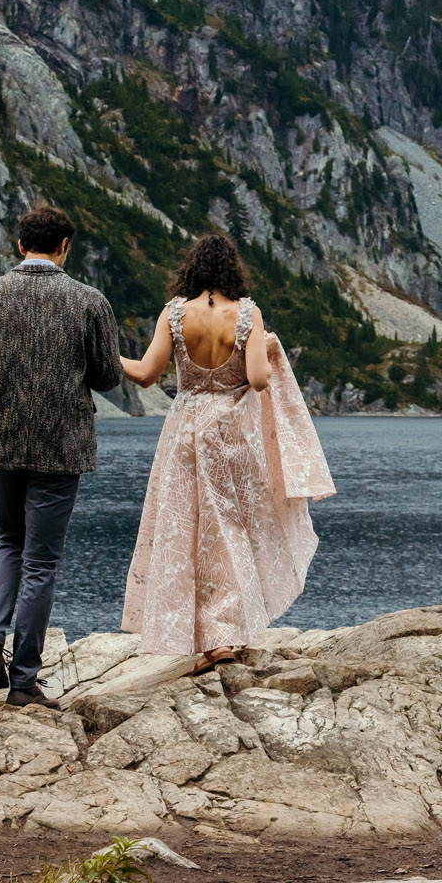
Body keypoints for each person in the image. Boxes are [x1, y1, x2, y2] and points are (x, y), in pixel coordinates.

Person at [119, 232, 335, 670]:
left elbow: (144, 374)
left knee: (187, 530)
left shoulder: (175, 314)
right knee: (229, 530)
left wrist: (101, 356)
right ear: (232, 269)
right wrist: (267, 346)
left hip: (184, 431)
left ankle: (197, 638)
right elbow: (257, 379)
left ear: (192, 270)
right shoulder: (247, 313)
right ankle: (224, 636)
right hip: (231, 435)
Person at [0, 203, 124, 707]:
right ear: (64, 247)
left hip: (1, 444)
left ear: (20, 245)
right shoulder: (88, 301)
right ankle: (24, 680)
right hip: (60, 447)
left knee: (8, 541)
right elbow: (109, 376)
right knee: (41, 561)